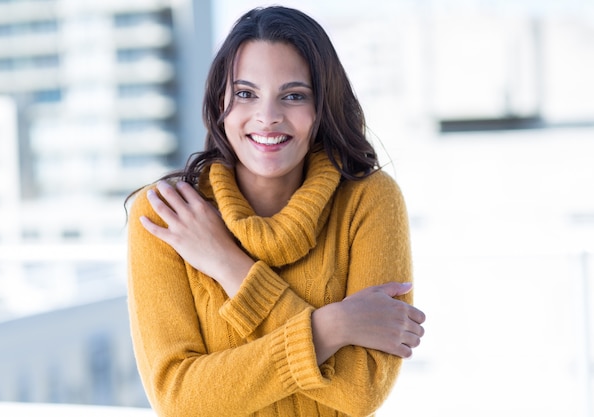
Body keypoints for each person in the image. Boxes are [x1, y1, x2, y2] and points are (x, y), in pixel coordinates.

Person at [126, 5, 426, 417]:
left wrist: (228, 265)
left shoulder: (369, 201)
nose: (267, 118)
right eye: (246, 94)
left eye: (293, 95)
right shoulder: (168, 214)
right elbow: (178, 399)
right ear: (221, 102)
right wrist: (332, 326)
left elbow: (359, 390)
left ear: (322, 107)